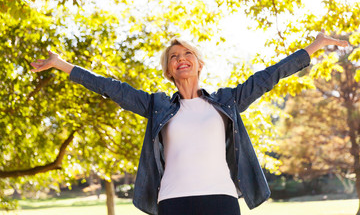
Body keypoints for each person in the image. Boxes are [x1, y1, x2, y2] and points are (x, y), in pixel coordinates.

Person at [31, 30, 348, 215]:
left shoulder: (227, 101)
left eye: (187, 54)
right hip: (173, 201)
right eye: (173, 56)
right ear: (169, 70)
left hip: (221, 200)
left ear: (198, 63)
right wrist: (61, 64)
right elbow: (111, 88)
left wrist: (315, 46)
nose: (180, 58)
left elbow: (269, 77)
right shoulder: (156, 105)